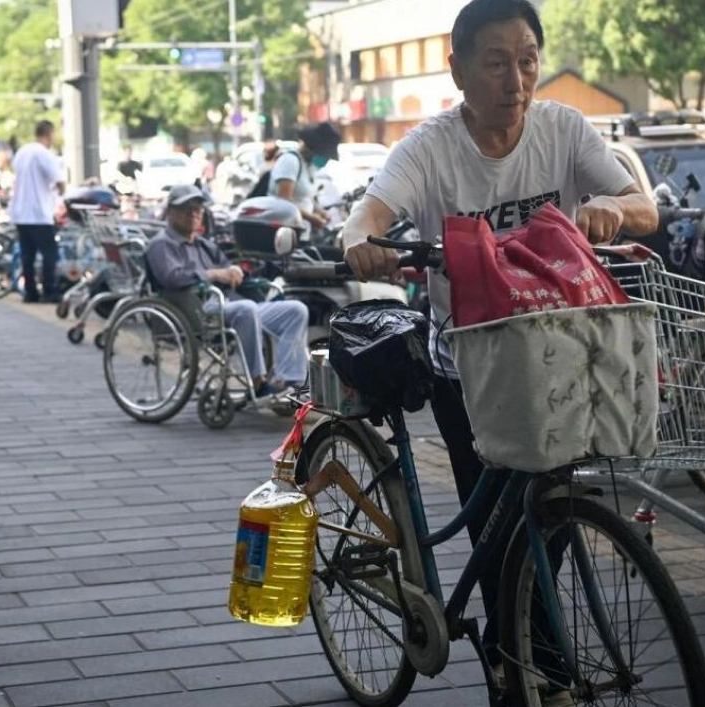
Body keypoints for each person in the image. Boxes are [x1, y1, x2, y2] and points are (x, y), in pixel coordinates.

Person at [339, 0, 659, 667]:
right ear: (457, 69)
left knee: (552, 518)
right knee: (499, 529)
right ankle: (525, 668)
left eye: (527, 60)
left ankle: (520, 649)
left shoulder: (564, 130)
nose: (515, 81)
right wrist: (364, 242)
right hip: (472, 367)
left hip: (559, 357)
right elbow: (368, 213)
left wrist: (609, 206)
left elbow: (644, 207)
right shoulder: (429, 148)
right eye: (495, 63)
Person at [146, 185, 310, 398]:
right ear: (170, 212)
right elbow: (171, 278)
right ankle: (257, 383)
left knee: (295, 310)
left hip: (230, 304)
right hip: (197, 309)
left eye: (197, 209)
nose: (194, 213)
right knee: (247, 308)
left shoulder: (204, 245)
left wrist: (234, 271)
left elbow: (225, 267)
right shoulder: (161, 244)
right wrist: (213, 274)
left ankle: (290, 382)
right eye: (186, 208)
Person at [9, 120, 66, 304]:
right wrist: (62, 192)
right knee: (50, 253)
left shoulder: (22, 152)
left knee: (28, 255)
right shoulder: (43, 154)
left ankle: (30, 292)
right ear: (49, 134)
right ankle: (50, 290)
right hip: (39, 213)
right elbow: (59, 181)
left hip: (20, 212)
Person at [268, 122, 340, 230]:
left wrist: (319, 211)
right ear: (312, 148)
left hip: (301, 230)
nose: (325, 159)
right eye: (323, 155)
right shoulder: (290, 161)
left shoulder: (308, 166)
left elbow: (305, 198)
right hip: (285, 230)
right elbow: (284, 200)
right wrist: (311, 218)